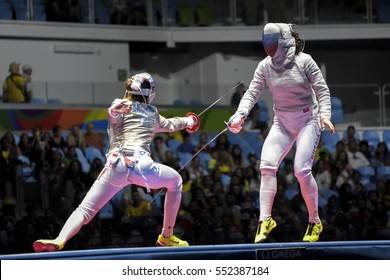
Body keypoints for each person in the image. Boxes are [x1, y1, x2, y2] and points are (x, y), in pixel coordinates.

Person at [33, 72, 200, 252]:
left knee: (85, 210)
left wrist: (113, 111)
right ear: (150, 93)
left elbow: (114, 115)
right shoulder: (151, 113)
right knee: (176, 181)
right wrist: (190, 121)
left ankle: (59, 239)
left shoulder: (122, 106)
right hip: (141, 165)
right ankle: (167, 236)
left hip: (115, 167)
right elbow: (172, 124)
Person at [226, 23, 335, 243]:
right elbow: (251, 94)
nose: (268, 46)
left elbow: (322, 89)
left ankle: (314, 221)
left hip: (307, 120)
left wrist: (325, 115)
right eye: (266, 42)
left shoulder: (305, 61)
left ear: (283, 42)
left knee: (301, 171)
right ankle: (265, 219)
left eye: (272, 41)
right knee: (266, 166)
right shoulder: (265, 66)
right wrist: (240, 115)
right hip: (282, 122)